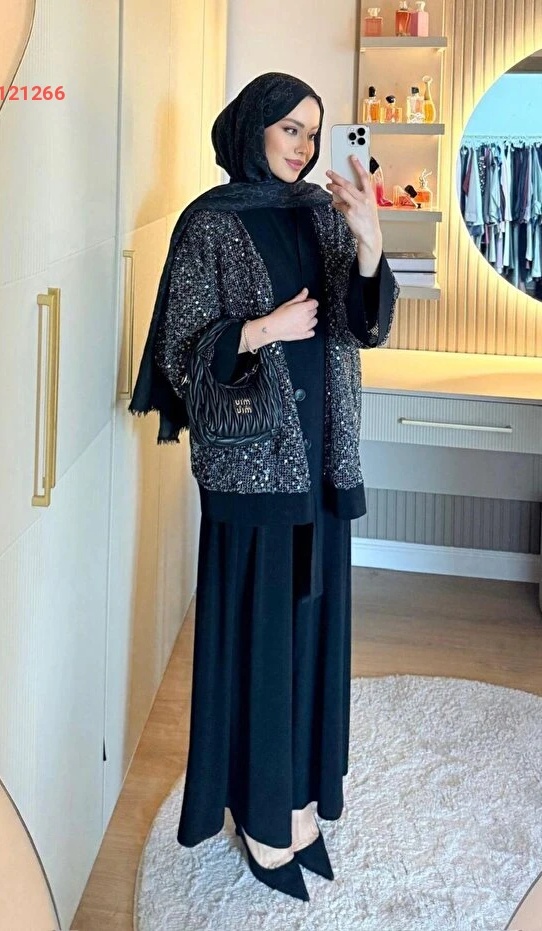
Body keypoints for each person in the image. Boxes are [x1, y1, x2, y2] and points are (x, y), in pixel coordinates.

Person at [129, 72, 399, 902]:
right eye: (289, 128)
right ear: (253, 129)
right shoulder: (209, 224)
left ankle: (299, 794)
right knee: (258, 640)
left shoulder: (320, 212)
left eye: (313, 132)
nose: (304, 146)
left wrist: (368, 243)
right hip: (253, 468)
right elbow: (179, 352)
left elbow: (361, 326)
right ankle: (256, 809)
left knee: (313, 635)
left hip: (321, 459)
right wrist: (259, 330)